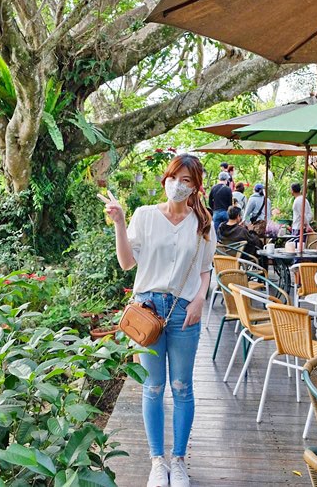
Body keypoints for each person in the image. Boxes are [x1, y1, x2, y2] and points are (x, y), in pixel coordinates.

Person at [100, 154, 215, 487]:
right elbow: (126, 263)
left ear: (196, 187)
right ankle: (156, 461)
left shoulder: (203, 222)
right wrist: (120, 223)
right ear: (165, 178)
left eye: (186, 180)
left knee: (182, 387)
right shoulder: (146, 215)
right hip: (147, 310)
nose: (177, 185)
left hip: (184, 312)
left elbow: (206, 269)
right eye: (173, 177)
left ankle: (178, 461)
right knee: (152, 387)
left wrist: (199, 300)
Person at [207, 171, 233, 236]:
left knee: (215, 233)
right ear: (226, 179)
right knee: (226, 232)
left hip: (216, 212)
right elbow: (230, 203)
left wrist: (214, 209)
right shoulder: (228, 189)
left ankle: (217, 244)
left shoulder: (213, 188)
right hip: (226, 212)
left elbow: (210, 201)